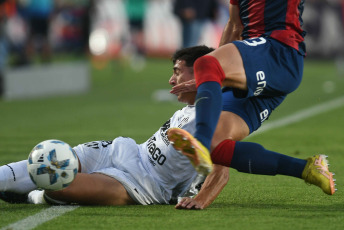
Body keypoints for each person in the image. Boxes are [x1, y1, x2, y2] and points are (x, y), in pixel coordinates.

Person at [0, 46, 336, 209]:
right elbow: (229, 38)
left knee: (55, 185)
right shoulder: (197, 105)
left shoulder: (213, 119)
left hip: (141, 186)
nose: (172, 79)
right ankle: (8, 180)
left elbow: (221, 171)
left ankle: (30, 195)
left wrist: (201, 200)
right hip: (123, 150)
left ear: (198, 76)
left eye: (178, 71)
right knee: (53, 159)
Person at [167, 0, 337, 208]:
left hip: (279, 53)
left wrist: (211, 69)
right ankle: (307, 168)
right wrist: (215, 76)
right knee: (217, 140)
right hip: (254, 68)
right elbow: (234, 25)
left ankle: (199, 141)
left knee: (205, 63)